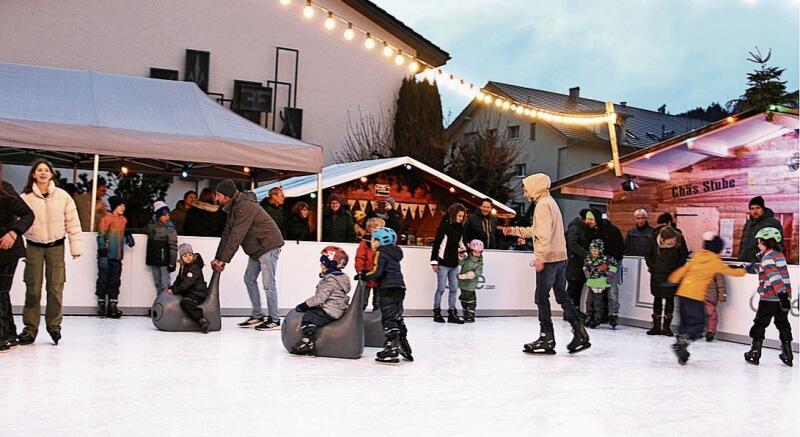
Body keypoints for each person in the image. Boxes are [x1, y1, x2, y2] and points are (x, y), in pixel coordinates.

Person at [503, 173, 591, 355]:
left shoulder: (542, 206)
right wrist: (514, 231)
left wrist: (541, 257)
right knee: (562, 296)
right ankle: (580, 332)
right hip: (560, 258)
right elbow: (539, 231)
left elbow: (543, 236)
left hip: (550, 259)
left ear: (535, 186)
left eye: (526, 188)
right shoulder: (550, 202)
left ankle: (547, 337)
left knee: (541, 297)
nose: (525, 193)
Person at [18, 159, 83, 346]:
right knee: (33, 289)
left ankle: (54, 326)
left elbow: (73, 221)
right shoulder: (26, 198)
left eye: (46, 170)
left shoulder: (63, 196)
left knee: (55, 288)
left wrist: (75, 246)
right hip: (34, 246)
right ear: (33, 174)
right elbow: (17, 220)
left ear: (51, 174)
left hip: (56, 247)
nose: (43, 173)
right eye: (39, 170)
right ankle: (30, 328)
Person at [210, 179, 285, 331]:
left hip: (268, 245)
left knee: (268, 283)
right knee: (249, 279)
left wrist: (224, 260)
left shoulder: (244, 207)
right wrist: (218, 257)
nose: (216, 198)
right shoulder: (234, 208)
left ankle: (275, 319)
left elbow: (237, 236)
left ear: (226, 195)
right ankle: (257, 315)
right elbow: (227, 234)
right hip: (256, 248)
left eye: (218, 195)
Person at [667, 233, 746, 365]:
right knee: (698, 326)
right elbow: (730, 271)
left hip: (682, 294)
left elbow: (684, 269)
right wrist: (744, 270)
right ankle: (683, 342)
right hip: (696, 297)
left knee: (685, 323)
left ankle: (682, 347)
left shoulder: (697, 256)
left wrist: (672, 279)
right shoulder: (715, 261)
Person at [742, 227, 793, 366]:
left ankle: (755, 353)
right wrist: (751, 268)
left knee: (760, 324)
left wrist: (781, 294)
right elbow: (769, 269)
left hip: (770, 299)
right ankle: (788, 354)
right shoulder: (778, 255)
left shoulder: (767, 257)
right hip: (784, 298)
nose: (758, 244)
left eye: (759, 242)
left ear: (765, 242)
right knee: (783, 324)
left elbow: (774, 276)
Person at [290, 246, 352, 355]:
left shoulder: (330, 280)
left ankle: (308, 341)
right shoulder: (340, 278)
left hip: (330, 311)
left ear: (329, 265)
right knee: (313, 311)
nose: (320, 265)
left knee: (309, 317)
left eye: (322, 263)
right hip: (336, 308)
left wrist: (304, 305)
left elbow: (319, 299)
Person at [364, 227, 413, 364]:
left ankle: (391, 348)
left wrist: (364, 275)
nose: (372, 243)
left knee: (388, 318)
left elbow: (377, 272)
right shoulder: (394, 254)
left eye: (374, 240)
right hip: (399, 288)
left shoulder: (381, 253)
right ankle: (403, 343)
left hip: (387, 289)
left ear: (380, 241)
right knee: (397, 316)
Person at [0, 164, 34, 351]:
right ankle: (9, 333)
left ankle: (4, 335)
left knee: (0, 291)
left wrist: (14, 232)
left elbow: (28, 214)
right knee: (2, 293)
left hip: (8, 249)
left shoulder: (5, 189)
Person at [644, 225, 688, 336]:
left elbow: (683, 256)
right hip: (657, 273)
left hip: (672, 274)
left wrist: (676, 270)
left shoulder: (679, 238)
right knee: (657, 298)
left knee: (670, 299)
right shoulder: (653, 239)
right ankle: (656, 326)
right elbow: (648, 255)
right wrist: (653, 267)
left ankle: (667, 327)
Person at [95, 196, 134, 318]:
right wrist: (102, 249)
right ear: (114, 206)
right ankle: (102, 303)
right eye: (120, 205)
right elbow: (101, 235)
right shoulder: (106, 219)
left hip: (117, 256)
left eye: (124, 206)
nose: (123, 207)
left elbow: (123, 231)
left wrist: (128, 236)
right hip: (105, 255)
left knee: (115, 280)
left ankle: (113, 304)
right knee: (103, 279)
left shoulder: (123, 220)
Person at [430, 203, 467, 324]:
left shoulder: (460, 227)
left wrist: (463, 252)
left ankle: (452, 312)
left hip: (454, 263)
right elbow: (437, 244)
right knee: (441, 288)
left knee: (454, 289)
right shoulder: (444, 226)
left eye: (463, 216)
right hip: (443, 262)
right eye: (459, 215)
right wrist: (434, 262)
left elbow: (460, 242)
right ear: (453, 214)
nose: (461, 218)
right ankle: (437, 312)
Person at [165, 243, 210, 333]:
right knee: (180, 297)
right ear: (181, 258)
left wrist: (175, 290)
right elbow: (179, 280)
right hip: (191, 291)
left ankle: (201, 320)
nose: (188, 257)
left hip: (198, 293)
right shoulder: (183, 267)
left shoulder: (194, 267)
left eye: (190, 255)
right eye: (185, 256)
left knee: (186, 302)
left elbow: (187, 283)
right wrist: (172, 288)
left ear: (193, 255)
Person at [593, 210, 625, 327]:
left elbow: (619, 251)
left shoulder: (613, 231)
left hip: (612, 264)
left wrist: (608, 264)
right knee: (602, 290)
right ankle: (603, 314)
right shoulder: (596, 231)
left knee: (610, 290)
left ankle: (611, 314)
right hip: (601, 265)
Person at [142, 201, 178, 296]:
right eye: (164, 215)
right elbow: (140, 229)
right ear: (158, 216)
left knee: (165, 284)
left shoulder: (170, 229)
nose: (167, 217)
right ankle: (159, 305)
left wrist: (172, 263)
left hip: (164, 261)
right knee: (158, 283)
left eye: (168, 214)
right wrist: (127, 231)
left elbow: (173, 247)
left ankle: (165, 306)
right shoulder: (151, 227)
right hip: (154, 260)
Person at [582, 239, 618, 329]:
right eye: (592, 250)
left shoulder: (605, 258)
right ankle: (589, 316)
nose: (594, 252)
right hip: (591, 282)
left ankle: (597, 318)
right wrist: (586, 272)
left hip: (601, 283)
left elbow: (613, 265)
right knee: (589, 301)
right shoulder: (588, 258)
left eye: (596, 250)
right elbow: (585, 266)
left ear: (600, 250)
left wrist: (609, 274)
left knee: (598, 302)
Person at [737, 196, 783, 263]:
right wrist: (740, 257)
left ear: (763, 209)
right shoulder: (748, 224)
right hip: (745, 262)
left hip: (761, 263)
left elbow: (778, 246)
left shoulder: (772, 223)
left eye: (757, 208)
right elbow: (742, 244)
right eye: (752, 209)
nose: (755, 211)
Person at [565, 209, 595, 312]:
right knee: (573, 287)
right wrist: (587, 254)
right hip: (574, 262)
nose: (591, 221)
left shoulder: (585, 229)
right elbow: (572, 244)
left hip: (580, 263)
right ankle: (569, 311)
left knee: (578, 287)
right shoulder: (575, 228)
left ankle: (575, 309)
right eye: (589, 218)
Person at [355, 217, 385, 310]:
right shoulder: (366, 242)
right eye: (372, 227)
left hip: (380, 275)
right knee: (363, 300)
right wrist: (360, 270)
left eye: (377, 227)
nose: (374, 229)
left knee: (378, 300)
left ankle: (378, 318)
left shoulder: (384, 242)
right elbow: (360, 257)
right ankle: (359, 316)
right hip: (367, 274)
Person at [458, 239, 485, 323]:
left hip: (471, 283)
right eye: (476, 252)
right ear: (471, 250)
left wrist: (468, 275)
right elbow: (460, 263)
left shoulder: (479, 261)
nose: (478, 254)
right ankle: (465, 311)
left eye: (479, 252)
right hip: (463, 283)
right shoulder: (467, 258)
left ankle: (471, 313)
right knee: (463, 297)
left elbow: (479, 271)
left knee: (470, 298)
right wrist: (461, 256)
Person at [703, 273, 727, 342]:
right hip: (699, 295)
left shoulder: (716, 267)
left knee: (711, 314)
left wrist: (722, 296)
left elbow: (721, 284)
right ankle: (706, 331)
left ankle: (710, 331)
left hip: (709, 296)